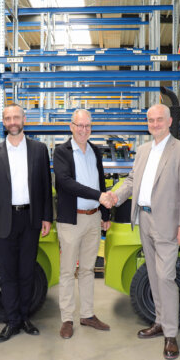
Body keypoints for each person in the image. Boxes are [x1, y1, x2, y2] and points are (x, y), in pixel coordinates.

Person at [110, 104, 180, 360]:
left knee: (166, 277)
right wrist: (115, 196)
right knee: (153, 275)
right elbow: (132, 180)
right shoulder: (143, 150)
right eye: (151, 120)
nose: (155, 124)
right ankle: (159, 321)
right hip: (144, 219)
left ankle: (171, 335)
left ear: (169, 122)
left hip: (167, 222)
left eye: (159, 119)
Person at [0, 104, 53, 343]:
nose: (12, 122)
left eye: (16, 117)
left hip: (31, 218)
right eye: (8, 118)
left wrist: (47, 217)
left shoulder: (39, 150)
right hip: (5, 219)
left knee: (27, 271)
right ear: (4, 122)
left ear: (23, 119)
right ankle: (12, 321)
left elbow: (45, 185)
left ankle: (25, 318)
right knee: (8, 273)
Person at [53, 109, 113, 339]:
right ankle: (67, 318)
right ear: (71, 126)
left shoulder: (95, 151)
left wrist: (105, 214)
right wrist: (98, 196)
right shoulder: (62, 151)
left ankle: (87, 314)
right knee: (68, 271)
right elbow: (65, 182)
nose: (83, 130)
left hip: (93, 217)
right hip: (72, 219)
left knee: (88, 269)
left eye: (87, 126)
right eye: (79, 125)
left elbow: (101, 182)